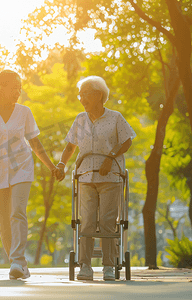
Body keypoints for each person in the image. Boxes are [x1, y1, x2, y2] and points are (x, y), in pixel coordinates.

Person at [0, 70, 57, 280]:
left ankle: (18, 260)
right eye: (14, 87)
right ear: (1, 86)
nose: (18, 91)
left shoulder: (24, 112)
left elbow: (35, 143)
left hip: (22, 167)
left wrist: (51, 166)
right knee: (3, 218)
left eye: (20, 88)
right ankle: (16, 263)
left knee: (17, 211)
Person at [54, 75, 136, 281]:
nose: (81, 99)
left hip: (110, 177)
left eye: (85, 94)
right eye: (79, 95)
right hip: (86, 176)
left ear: (99, 95)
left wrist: (111, 158)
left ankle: (109, 265)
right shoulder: (80, 120)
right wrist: (62, 164)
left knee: (108, 222)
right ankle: (85, 265)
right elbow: (70, 146)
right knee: (87, 221)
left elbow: (126, 141)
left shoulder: (115, 117)